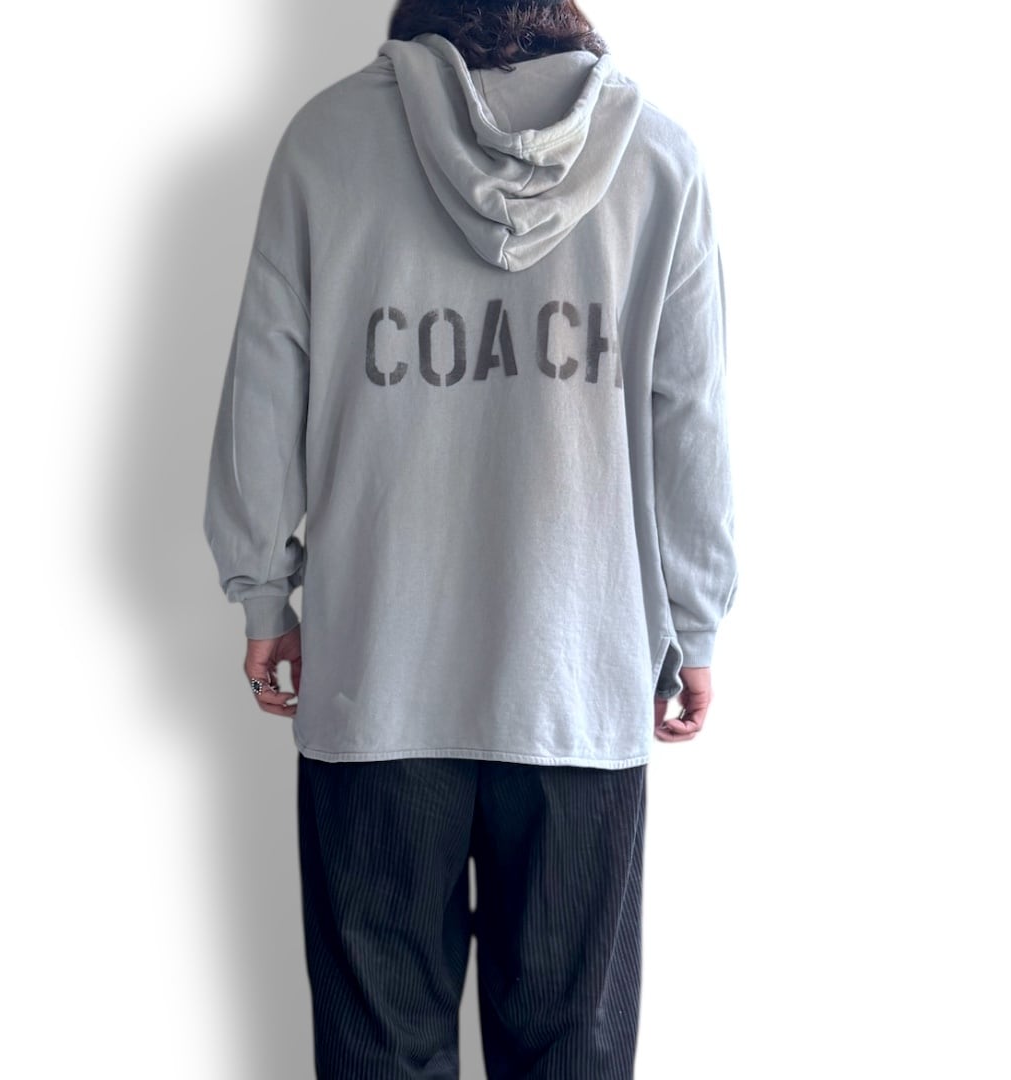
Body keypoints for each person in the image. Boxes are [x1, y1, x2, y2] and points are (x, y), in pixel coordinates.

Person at [202, 1, 738, 1075]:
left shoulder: (326, 142)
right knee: (570, 1053)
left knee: (378, 1049)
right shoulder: (657, 159)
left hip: (377, 684)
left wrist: (264, 592)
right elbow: (691, 418)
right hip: (580, 687)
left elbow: (266, 385)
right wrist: (694, 624)